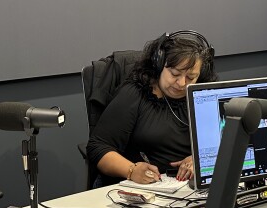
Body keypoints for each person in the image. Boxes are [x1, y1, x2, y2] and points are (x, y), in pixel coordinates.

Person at [87, 31, 217, 187]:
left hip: (191, 188)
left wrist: (201, 158)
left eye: (191, 77)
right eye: (175, 73)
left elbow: (224, 141)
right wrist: (131, 170)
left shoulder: (204, 95)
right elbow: (97, 147)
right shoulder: (135, 94)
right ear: (159, 64)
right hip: (146, 188)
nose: (182, 83)